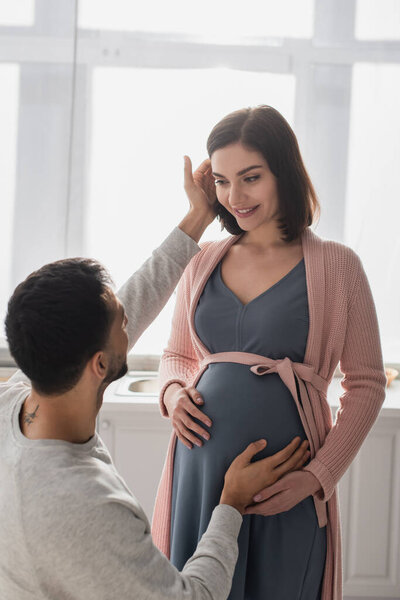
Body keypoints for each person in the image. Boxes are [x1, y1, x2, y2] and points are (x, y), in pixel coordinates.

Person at [0, 177, 310, 600]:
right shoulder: (87, 507)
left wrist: (198, 214)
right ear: (99, 364)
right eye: (121, 323)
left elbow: (135, 296)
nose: (130, 321)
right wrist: (231, 504)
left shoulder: (15, 399)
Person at [152, 105, 387, 600]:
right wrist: (174, 396)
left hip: (286, 485)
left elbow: (366, 384)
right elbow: (175, 356)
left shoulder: (338, 267)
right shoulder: (202, 264)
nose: (234, 197)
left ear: (284, 170)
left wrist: (318, 478)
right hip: (200, 477)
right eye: (220, 181)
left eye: (250, 177)